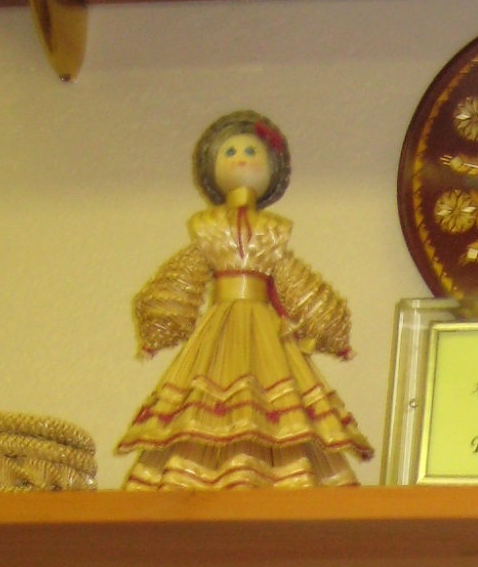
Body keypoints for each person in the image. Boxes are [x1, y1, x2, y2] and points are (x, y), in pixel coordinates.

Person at [118, 111, 372, 490]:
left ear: (272, 167)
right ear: (212, 165)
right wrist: (160, 323)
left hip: (267, 334)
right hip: (216, 333)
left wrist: (328, 327)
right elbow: (182, 280)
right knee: (208, 408)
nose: (241, 158)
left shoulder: (273, 231)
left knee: (274, 409)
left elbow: (298, 285)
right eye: (230, 151)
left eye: (252, 151)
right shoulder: (207, 228)